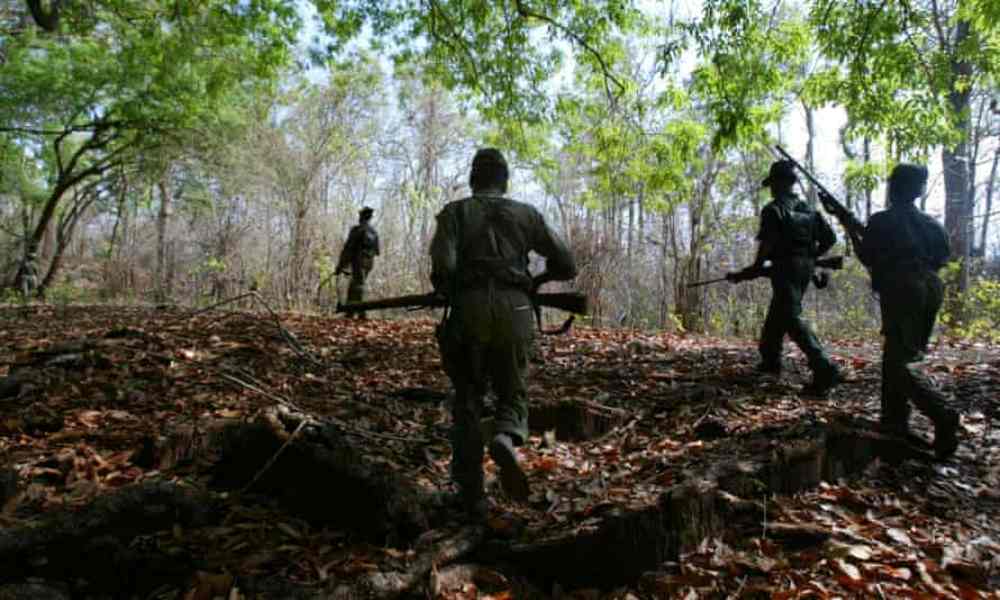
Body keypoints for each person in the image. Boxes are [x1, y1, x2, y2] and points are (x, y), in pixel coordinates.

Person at [430, 148, 576, 518]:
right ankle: (506, 435)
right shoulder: (527, 214)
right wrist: (536, 280)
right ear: (505, 181)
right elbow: (567, 263)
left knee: (467, 398)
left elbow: (443, 267)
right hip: (517, 309)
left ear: (473, 179)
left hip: (470, 309)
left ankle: (471, 495)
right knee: (513, 390)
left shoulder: (455, 213)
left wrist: (450, 286)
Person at [849, 163, 959, 458]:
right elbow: (941, 259)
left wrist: (850, 229)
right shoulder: (932, 224)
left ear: (895, 187)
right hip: (931, 287)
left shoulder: (882, 220)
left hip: (903, 288)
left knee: (900, 363)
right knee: (901, 355)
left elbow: (867, 256)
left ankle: (942, 412)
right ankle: (894, 422)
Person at [731, 159, 840, 395]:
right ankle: (770, 359)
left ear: (780, 183)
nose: (771, 188)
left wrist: (755, 268)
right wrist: (810, 257)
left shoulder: (773, 210)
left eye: (773, 183)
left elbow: (767, 244)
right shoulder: (809, 210)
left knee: (791, 317)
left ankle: (824, 367)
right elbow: (830, 239)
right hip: (804, 269)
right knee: (779, 311)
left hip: (785, 269)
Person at [336, 207, 380, 319]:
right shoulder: (374, 232)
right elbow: (377, 251)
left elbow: (348, 249)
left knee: (358, 285)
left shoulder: (357, 230)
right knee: (355, 284)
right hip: (369, 263)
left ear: (361, 217)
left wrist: (341, 265)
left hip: (358, 261)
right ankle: (350, 312)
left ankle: (362, 313)